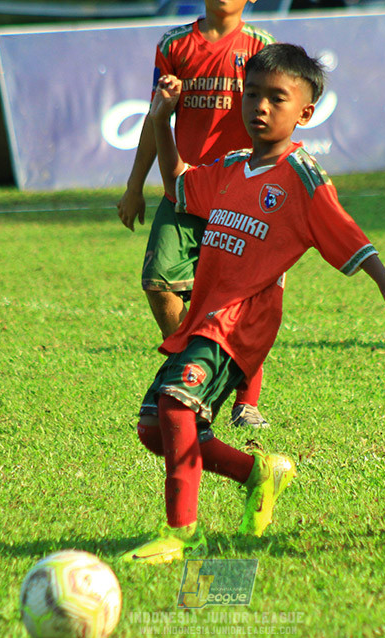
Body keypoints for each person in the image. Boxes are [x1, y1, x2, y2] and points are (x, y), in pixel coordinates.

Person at [121, 43, 385, 564]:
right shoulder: (233, 165)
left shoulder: (301, 176)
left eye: (276, 99)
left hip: (242, 318)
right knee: (156, 430)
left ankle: (182, 534)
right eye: (252, 95)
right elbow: (178, 185)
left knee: (177, 404)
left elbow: (344, 231)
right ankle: (259, 474)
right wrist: (162, 121)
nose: (260, 108)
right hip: (207, 312)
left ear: (304, 113)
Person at [116, 0, 274, 428]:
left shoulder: (262, 49)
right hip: (183, 190)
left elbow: (278, 121)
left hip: (241, 193)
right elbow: (156, 118)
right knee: (158, 282)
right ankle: (194, 365)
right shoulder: (174, 44)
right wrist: (134, 186)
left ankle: (246, 401)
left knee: (242, 298)